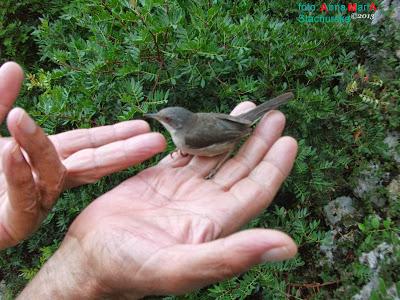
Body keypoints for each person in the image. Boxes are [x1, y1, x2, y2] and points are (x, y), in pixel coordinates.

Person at [0, 62, 298, 299]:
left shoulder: (190, 135)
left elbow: (226, 140)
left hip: (228, 132)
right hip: (224, 125)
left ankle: (250, 127)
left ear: (177, 124)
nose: (160, 119)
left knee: (218, 152)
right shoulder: (185, 132)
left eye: (165, 120)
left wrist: (216, 162)